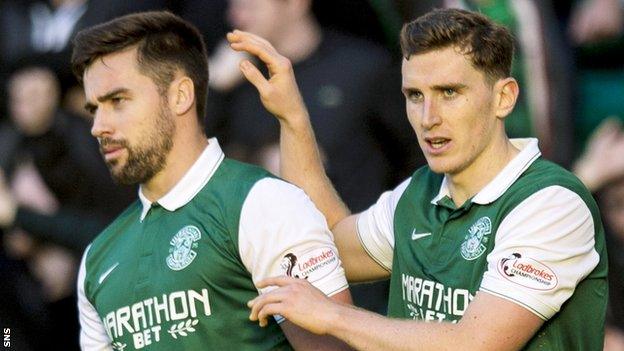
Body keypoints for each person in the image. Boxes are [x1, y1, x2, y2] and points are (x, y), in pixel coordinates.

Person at [228, 8, 608, 350]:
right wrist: (293, 119)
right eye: (414, 95)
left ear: (503, 98)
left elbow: (475, 345)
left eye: (449, 92)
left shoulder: (551, 202)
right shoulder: (419, 192)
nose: (428, 117)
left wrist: (333, 316)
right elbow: (329, 245)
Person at [70, 11, 351, 350]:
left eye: (117, 101)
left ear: (180, 96)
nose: (98, 126)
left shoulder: (263, 203)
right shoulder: (97, 258)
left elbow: (338, 346)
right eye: (93, 109)